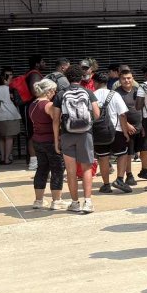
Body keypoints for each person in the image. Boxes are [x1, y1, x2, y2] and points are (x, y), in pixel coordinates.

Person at [56, 65, 98, 213]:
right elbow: (97, 114)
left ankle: (75, 203)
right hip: (85, 134)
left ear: (67, 78)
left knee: (71, 171)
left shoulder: (61, 94)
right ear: (81, 77)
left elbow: (56, 120)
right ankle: (88, 202)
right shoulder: (88, 92)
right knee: (86, 168)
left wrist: (57, 140)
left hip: (67, 134)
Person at [28, 79, 64, 211]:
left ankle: (39, 200)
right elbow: (57, 122)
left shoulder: (32, 105)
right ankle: (56, 201)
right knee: (57, 169)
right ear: (48, 91)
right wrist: (57, 142)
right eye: (53, 91)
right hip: (50, 140)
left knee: (42, 169)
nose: (54, 93)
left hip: (37, 140)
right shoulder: (48, 105)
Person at [92, 77, 132, 194]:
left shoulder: (92, 95)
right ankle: (119, 179)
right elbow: (122, 115)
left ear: (96, 82)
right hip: (116, 130)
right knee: (122, 154)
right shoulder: (114, 94)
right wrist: (125, 132)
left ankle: (106, 185)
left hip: (99, 132)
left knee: (103, 158)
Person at [115, 66, 146, 185]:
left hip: (141, 126)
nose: (127, 81)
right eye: (124, 79)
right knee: (129, 153)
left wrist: (144, 125)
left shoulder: (138, 90)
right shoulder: (116, 93)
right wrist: (126, 125)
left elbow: (143, 108)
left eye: (129, 78)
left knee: (145, 149)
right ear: (120, 80)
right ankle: (129, 174)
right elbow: (117, 112)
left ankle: (145, 170)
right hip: (126, 128)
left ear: (133, 78)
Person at [0, 70, 22, 166]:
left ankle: (2, 157)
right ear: (4, 80)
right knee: (9, 137)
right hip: (10, 115)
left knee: (1, 137)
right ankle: (7, 158)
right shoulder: (7, 88)